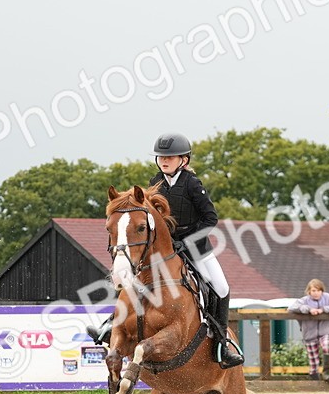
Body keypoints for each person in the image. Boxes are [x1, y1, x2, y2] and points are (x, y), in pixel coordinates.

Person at [89, 132, 243, 368]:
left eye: (170, 157)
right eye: (161, 157)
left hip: (196, 249)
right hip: (163, 250)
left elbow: (210, 219)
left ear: (184, 160)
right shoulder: (154, 183)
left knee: (221, 287)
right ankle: (111, 324)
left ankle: (222, 342)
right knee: (131, 277)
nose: (164, 160)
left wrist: (186, 240)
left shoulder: (193, 185)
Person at [288, 278, 329, 381]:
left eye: (318, 290)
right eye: (314, 290)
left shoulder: (328, 298)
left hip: (325, 330)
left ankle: (326, 372)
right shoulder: (304, 300)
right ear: (309, 291)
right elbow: (291, 308)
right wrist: (309, 309)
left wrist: (324, 309)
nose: (316, 293)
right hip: (309, 333)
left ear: (322, 291)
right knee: (313, 360)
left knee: (327, 347)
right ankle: (314, 379)